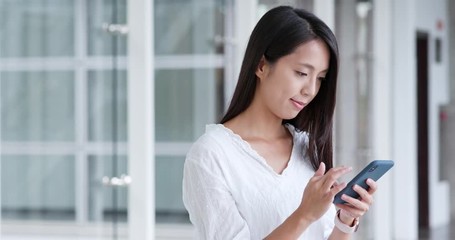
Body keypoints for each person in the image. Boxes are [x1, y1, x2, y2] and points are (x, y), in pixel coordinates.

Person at [182, 6, 377, 240]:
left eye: (320, 79)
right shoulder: (212, 155)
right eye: (302, 73)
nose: (311, 90)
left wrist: (345, 222)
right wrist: (304, 214)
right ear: (261, 65)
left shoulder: (307, 146)